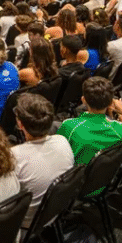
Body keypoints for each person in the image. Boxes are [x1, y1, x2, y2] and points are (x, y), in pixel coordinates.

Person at [56, 77, 122, 166]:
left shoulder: (69, 125)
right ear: (111, 102)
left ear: (84, 100)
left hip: (73, 187)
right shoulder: (121, 130)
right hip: (103, 184)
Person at [11, 93, 74, 225]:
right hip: (53, 213)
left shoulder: (14, 156)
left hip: (25, 223)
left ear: (20, 124)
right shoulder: (62, 141)